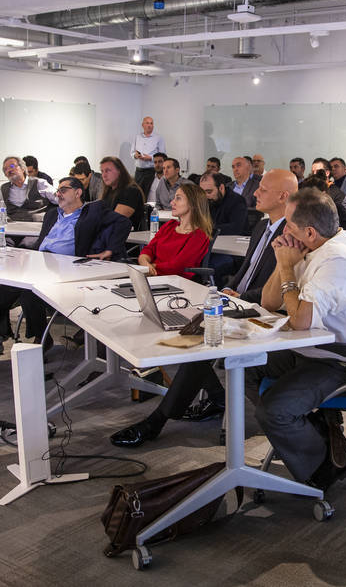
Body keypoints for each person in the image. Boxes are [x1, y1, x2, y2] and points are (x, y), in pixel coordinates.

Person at [108, 170, 300, 448]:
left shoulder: (291, 233)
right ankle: (216, 396)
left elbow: (281, 284)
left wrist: (241, 296)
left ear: (283, 196)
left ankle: (157, 420)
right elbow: (245, 271)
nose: (255, 193)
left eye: (263, 189)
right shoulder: (261, 226)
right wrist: (227, 291)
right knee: (186, 331)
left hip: (262, 310)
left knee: (198, 343)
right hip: (237, 299)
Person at [249, 187, 346, 490]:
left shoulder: (336, 262)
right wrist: (284, 260)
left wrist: (286, 266)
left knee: (273, 411)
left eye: (289, 226)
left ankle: (326, 470)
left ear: (309, 231)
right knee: (239, 364)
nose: (283, 231)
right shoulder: (316, 246)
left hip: (341, 359)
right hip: (312, 349)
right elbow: (269, 303)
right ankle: (315, 427)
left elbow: (299, 321)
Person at [0, 177, 131, 364]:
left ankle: (41, 340)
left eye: (64, 190)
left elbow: (123, 223)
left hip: (68, 269)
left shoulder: (93, 211)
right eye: (58, 190)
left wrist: (110, 249)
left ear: (78, 193)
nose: (58, 194)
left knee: (29, 294)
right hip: (40, 264)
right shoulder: (53, 214)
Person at [137, 182, 212, 281]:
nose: (172, 202)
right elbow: (149, 249)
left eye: (178, 198)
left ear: (193, 204)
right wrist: (145, 263)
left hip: (176, 284)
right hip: (152, 278)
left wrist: (150, 267)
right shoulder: (169, 226)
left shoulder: (199, 235)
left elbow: (178, 266)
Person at [0, 156, 57, 221]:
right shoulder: (3, 188)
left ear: (23, 168)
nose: (9, 170)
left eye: (12, 166)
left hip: (37, 226)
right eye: (5, 169)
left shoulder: (39, 183)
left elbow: (60, 200)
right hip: (12, 226)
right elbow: (1, 210)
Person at [98, 155, 146, 229]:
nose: (104, 175)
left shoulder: (131, 191)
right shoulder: (108, 192)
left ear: (119, 171)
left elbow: (115, 220)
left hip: (128, 237)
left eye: (108, 170)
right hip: (110, 235)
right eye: (102, 171)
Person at [199, 172, 248, 236]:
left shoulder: (237, 201)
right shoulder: (207, 200)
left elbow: (236, 228)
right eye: (202, 192)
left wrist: (207, 229)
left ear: (221, 188)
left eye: (209, 192)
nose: (206, 196)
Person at [131, 116, 165, 191]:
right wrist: (135, 155)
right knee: (137, 192)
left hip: (151, 171)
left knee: (149, 192)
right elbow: (132, 152)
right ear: (143, 125)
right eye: (147, 123)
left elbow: (163, 156)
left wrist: (151, 158)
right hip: (139, 171)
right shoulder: (137, 137)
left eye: (151, 123)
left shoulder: (158, 138)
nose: (149, 125)